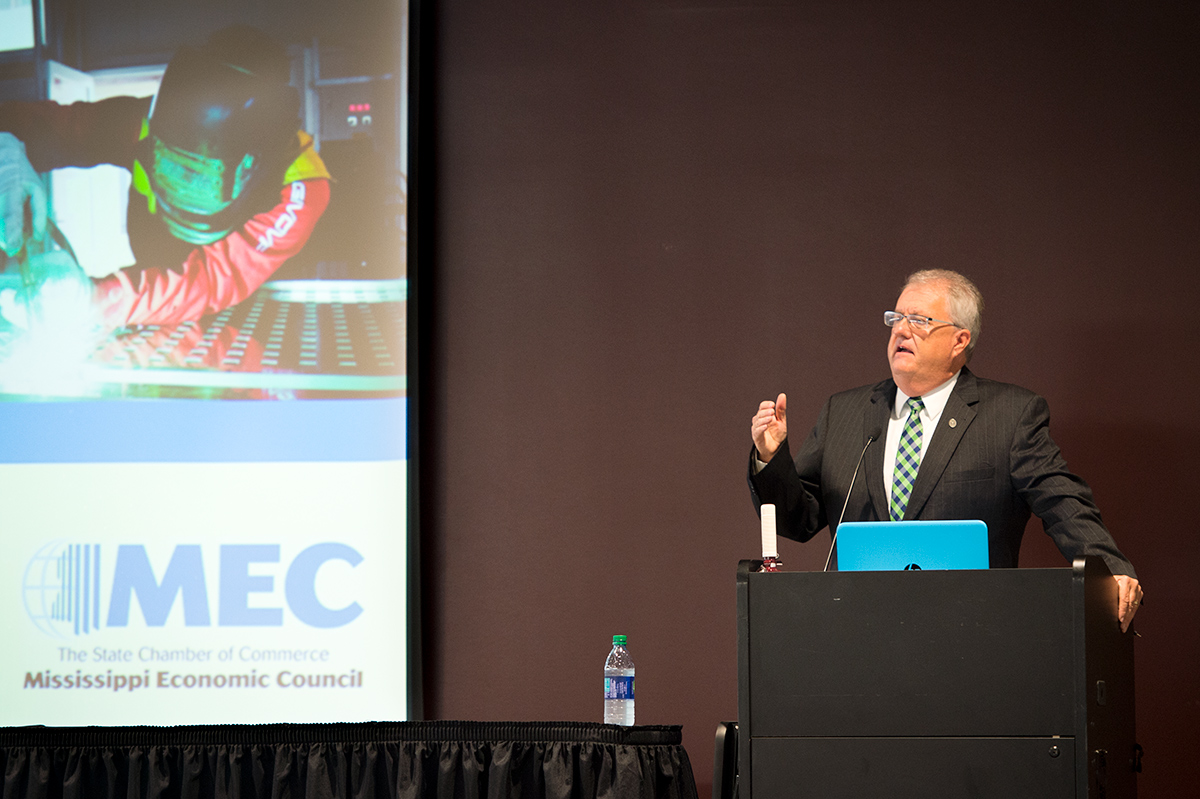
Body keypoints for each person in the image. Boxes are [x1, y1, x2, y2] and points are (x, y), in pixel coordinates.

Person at [748, 269, 1144, 632]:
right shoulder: (845, 412)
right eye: (896, 318)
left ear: (960, 340)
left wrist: (1109, 568)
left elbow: (1062, 501)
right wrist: (771, 458)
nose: (901, 331)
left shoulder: (1008, 415)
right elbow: (797, 521)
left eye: (918, 321)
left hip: (969, 632)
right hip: (856, 631)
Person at [0, 26, 329, 329]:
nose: (182, 185)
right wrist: (7, 148)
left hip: (250, 317)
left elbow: (211, 279)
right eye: (171, 164)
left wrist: (96, 300)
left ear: (251, 165)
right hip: (150, 297)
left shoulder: (301, 185)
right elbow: (56, 127)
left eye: (204, 177)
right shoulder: (145, 125)